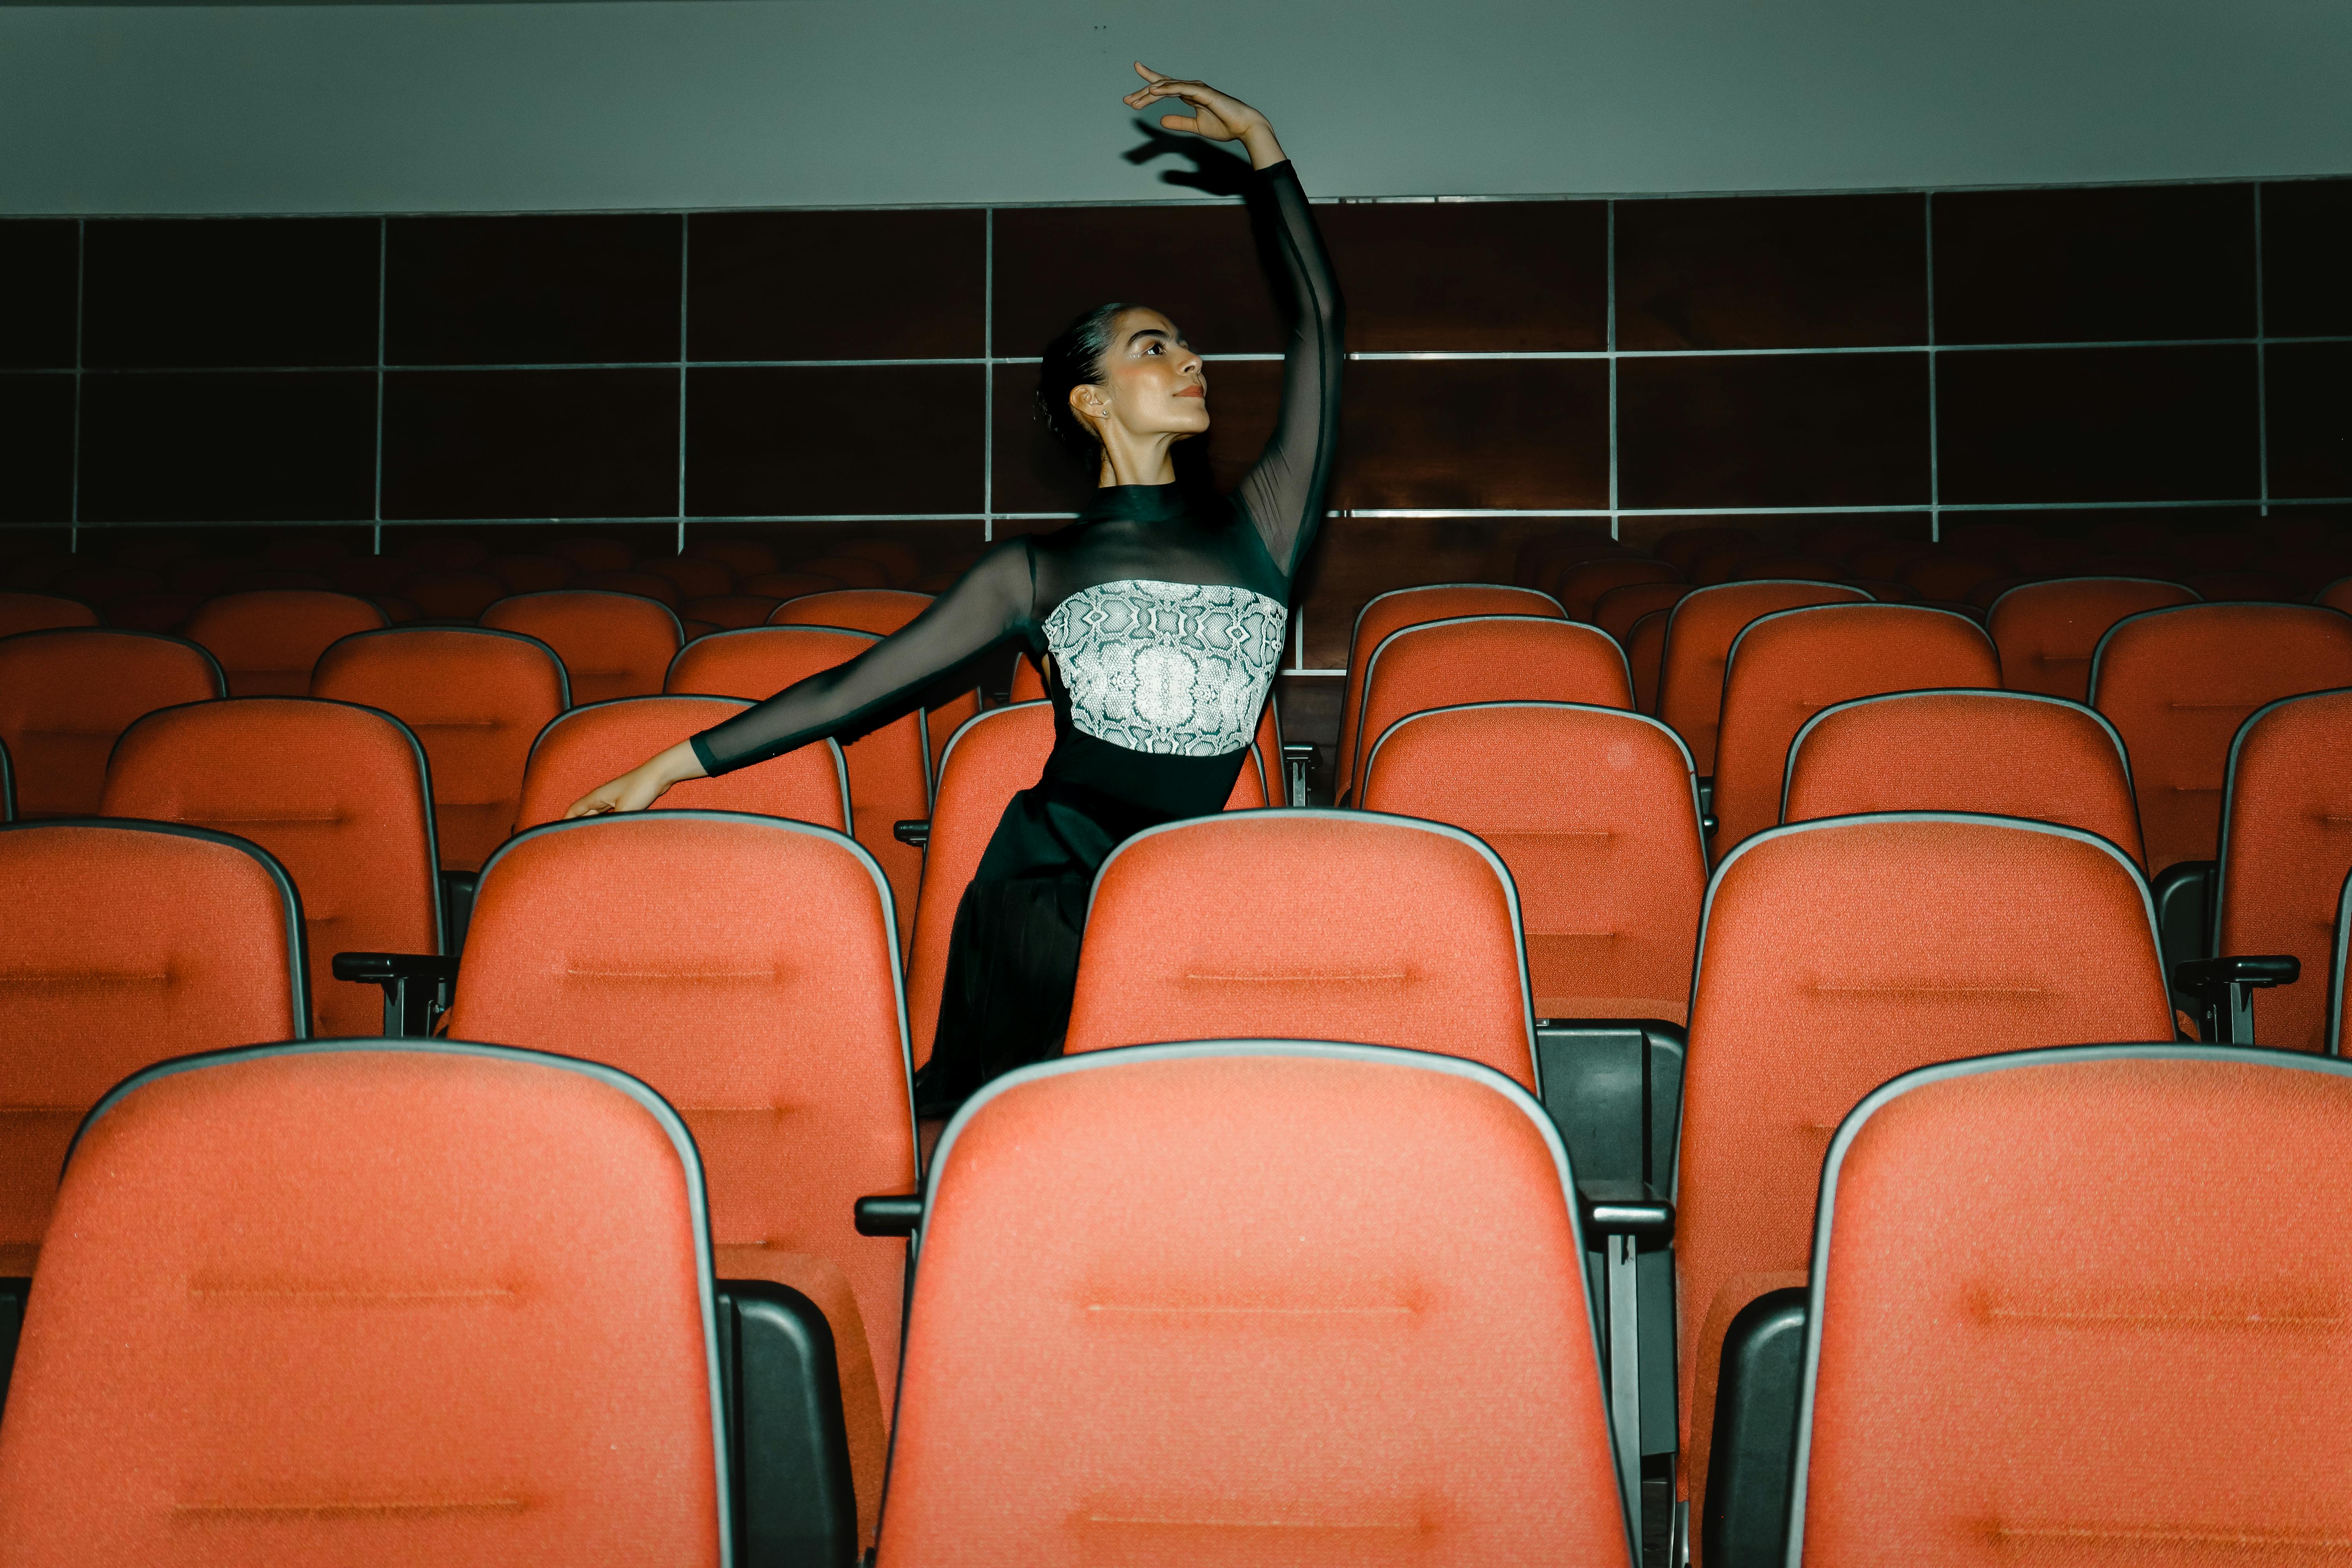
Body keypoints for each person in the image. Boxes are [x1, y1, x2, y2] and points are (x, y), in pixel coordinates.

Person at [565, 62, 1344, 1112]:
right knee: (1035, 1126)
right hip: (1048, 884)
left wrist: (1262, 146)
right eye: (1155, 347)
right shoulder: (1034, 570)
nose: (1191, 361)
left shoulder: (1262, 529)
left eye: (1190, 346)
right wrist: (669, 764)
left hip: (1199, 883)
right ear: (1092, 398)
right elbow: (857, 689)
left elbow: (1322, 335)